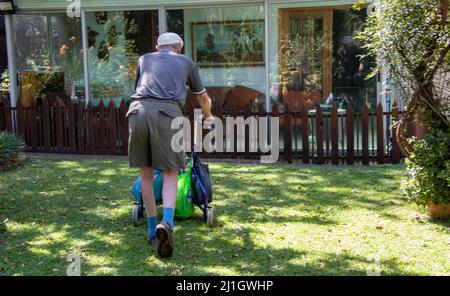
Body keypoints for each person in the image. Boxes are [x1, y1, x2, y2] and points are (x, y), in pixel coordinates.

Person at [127, 32, 213, 258]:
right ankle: (166, 223)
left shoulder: (144, 59)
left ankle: (151, 228)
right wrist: (208, 116)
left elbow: (139, 88)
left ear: (157, 47)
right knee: (170, 173)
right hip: (167, 113)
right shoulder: (185, 62)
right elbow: (203, 97)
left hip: (137, 112)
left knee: (146, 173)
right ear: (179, 48)